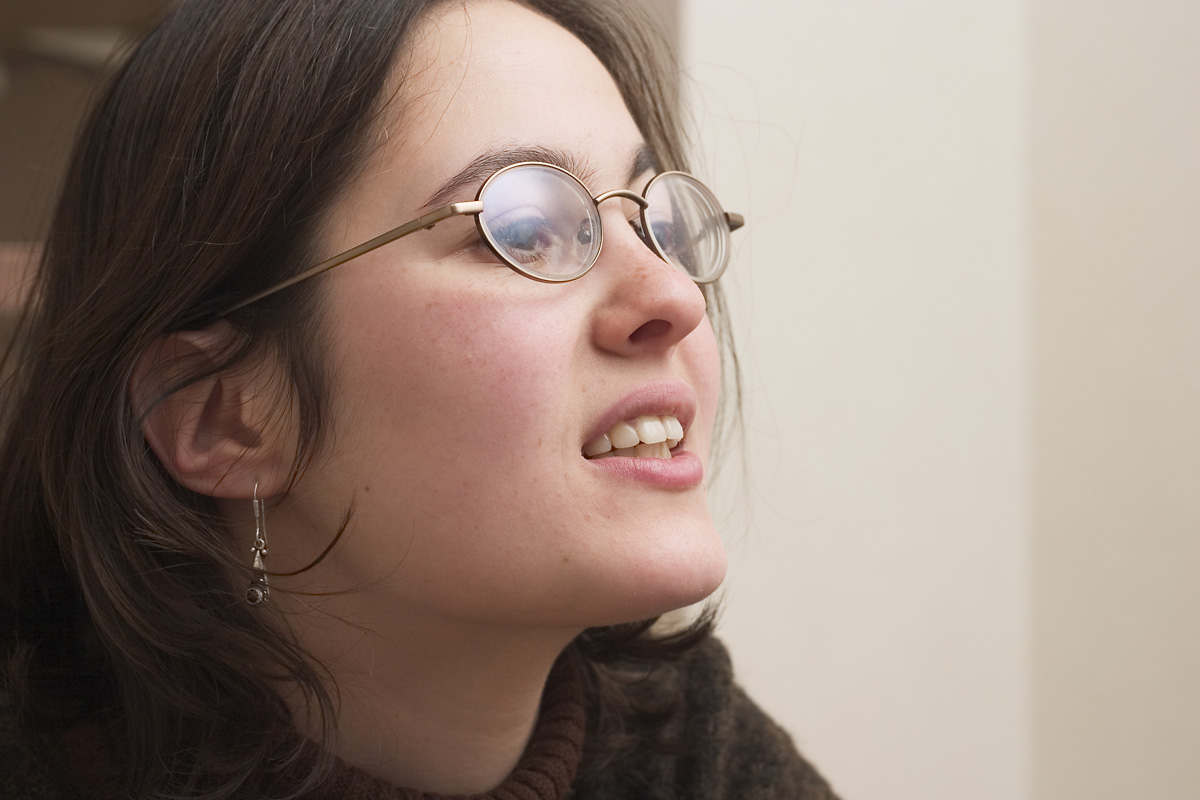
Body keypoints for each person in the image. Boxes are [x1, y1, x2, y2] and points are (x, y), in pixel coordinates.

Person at [0, 1, 840, 797]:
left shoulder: (698, 757)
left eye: (659, 221)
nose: (675, 297)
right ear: (225, 416)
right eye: (522, 230)